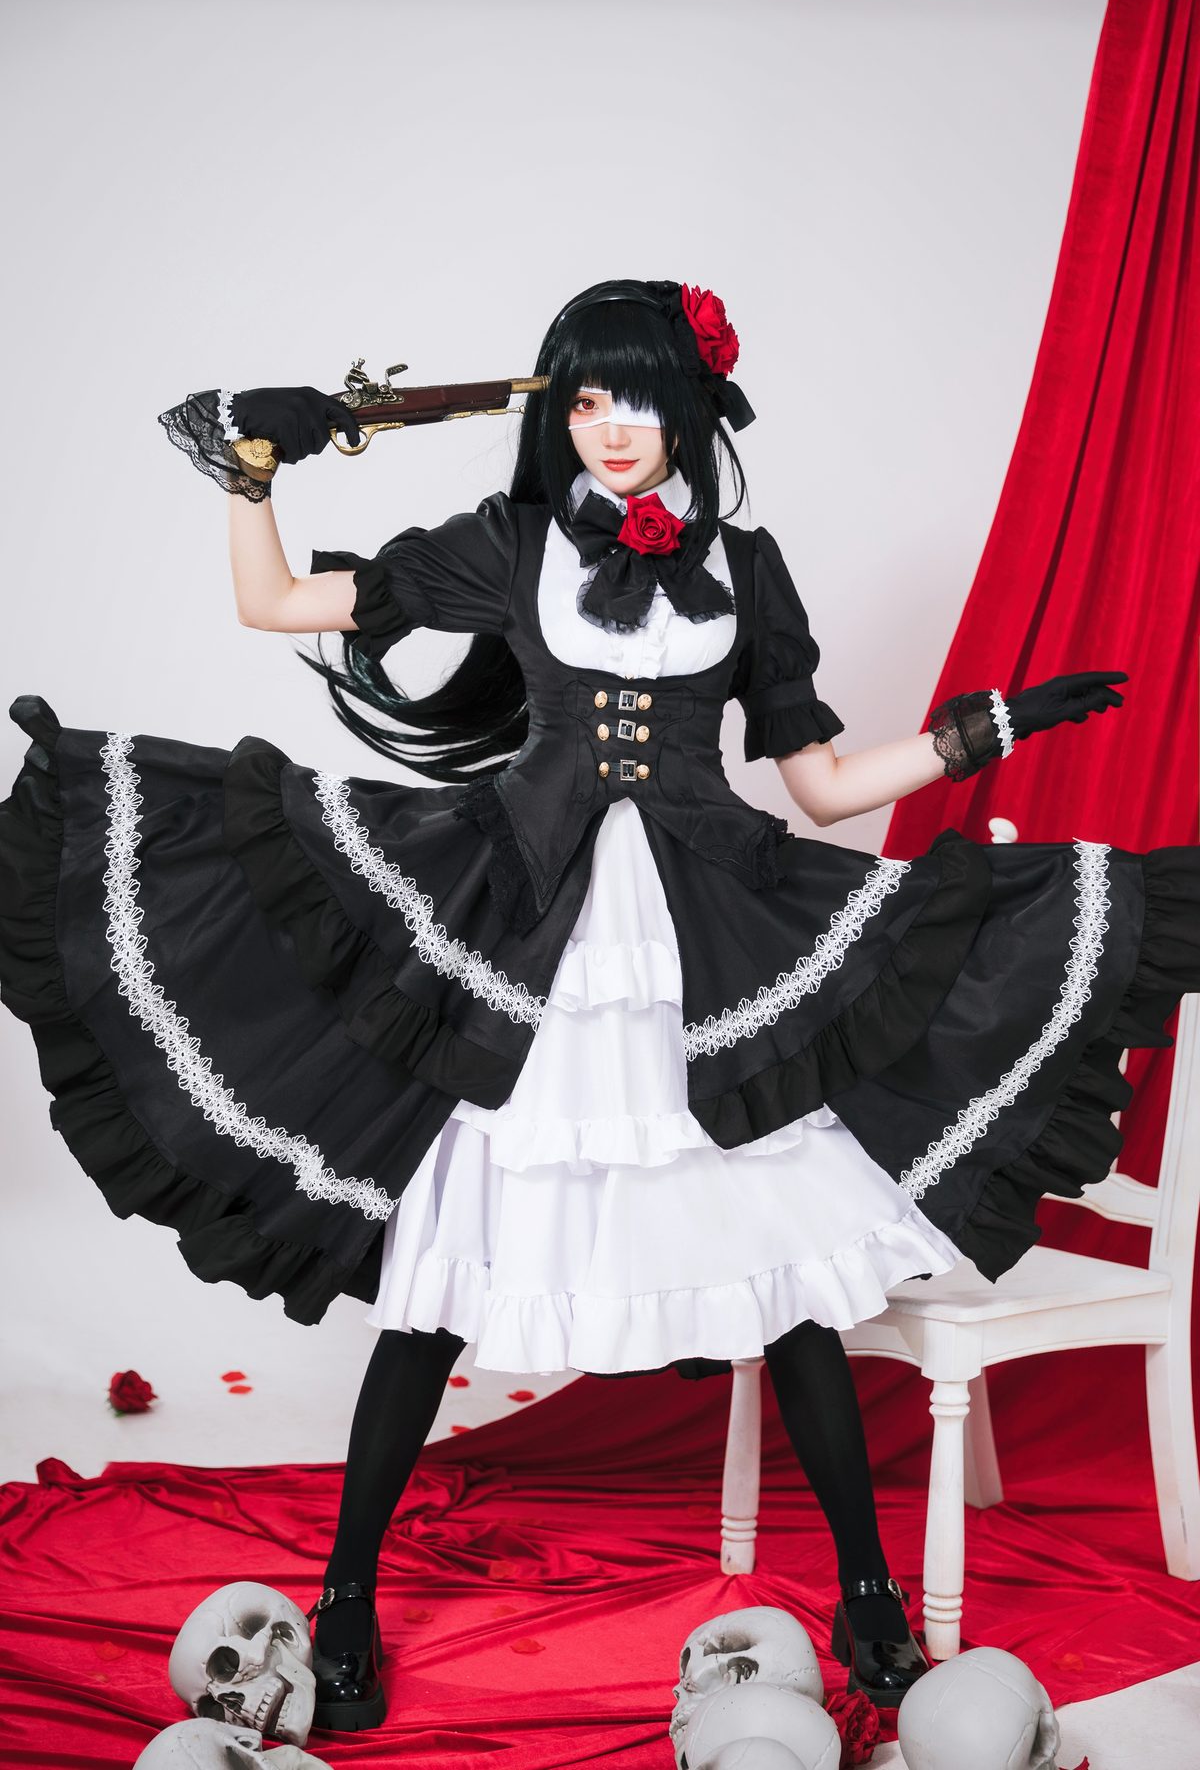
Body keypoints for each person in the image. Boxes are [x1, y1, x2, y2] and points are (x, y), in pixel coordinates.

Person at [1, 278, 1196, 1735]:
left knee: (783, 1275)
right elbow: (274, 604)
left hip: (708, 942)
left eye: (635, 397)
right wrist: (251, 475)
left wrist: (981, 731)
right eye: (582, 399)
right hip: (528, 933)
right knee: (442, 1276)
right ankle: (349, 1596)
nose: (610, 428)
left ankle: (870, 1596)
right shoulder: (513, 546)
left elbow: (818, 785)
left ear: (691, 406)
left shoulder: (747, 569)